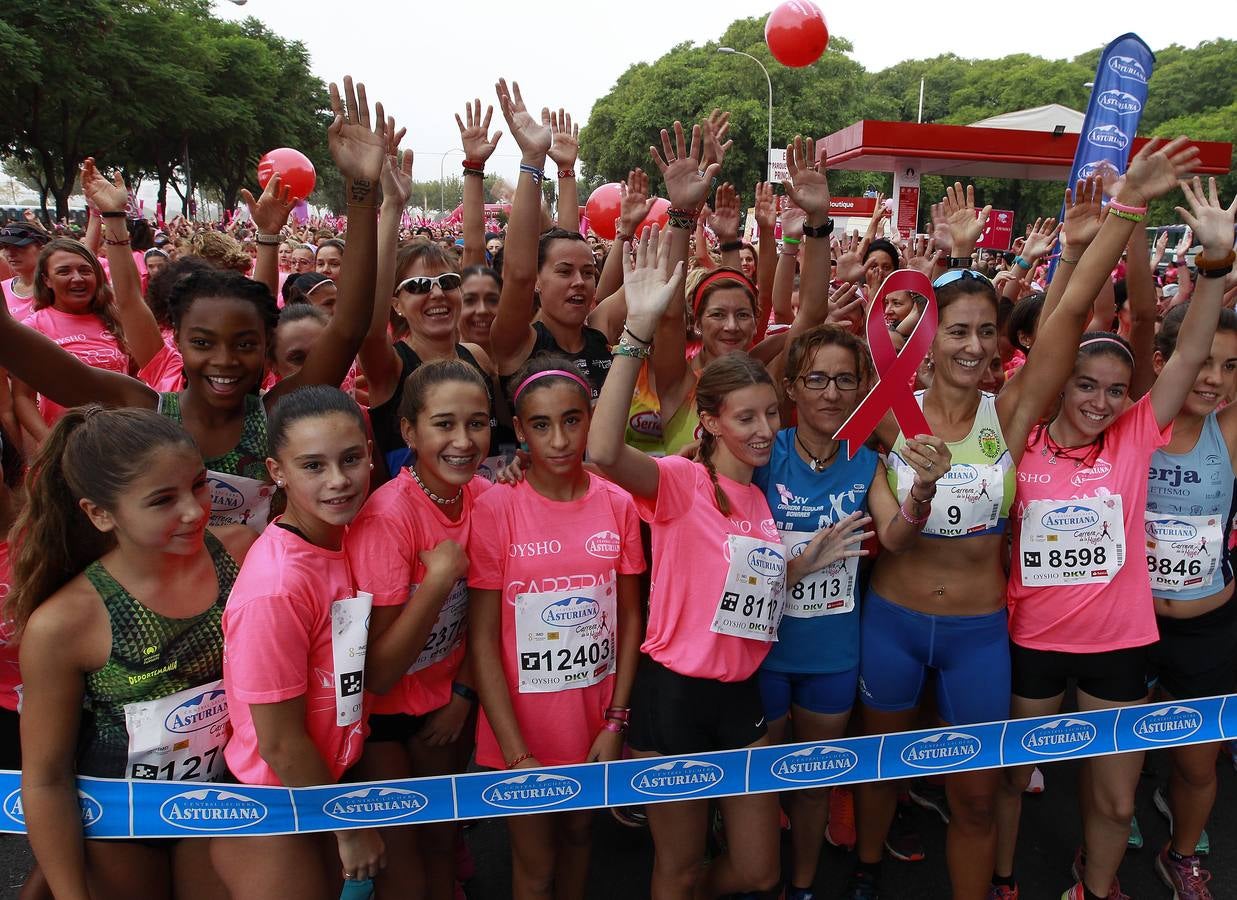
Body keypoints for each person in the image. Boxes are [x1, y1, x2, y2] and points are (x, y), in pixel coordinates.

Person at [848, 145, 1196, 900]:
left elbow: (1069, 312)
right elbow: (819, 350)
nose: (973, 346)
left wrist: (1124, 210)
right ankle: (868, 873)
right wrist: (948, 255)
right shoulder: (887, 415)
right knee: (880, 773)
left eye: (985, 331)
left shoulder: (1003, 415)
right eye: (956, 331)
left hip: (979, 631)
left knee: (975, 797)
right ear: (927, 338)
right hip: (893, 619)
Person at [588, 225, 866, 899]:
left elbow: (746, 585)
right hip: (674, 695)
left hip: (740, 695)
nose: (765, 429)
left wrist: (804, 559)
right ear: (708, 422)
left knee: (755, 869)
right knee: (676, 868)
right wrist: (637, 333)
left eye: (772, 414)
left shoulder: (759, 501)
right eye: (746, 418)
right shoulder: (679, 485)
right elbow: (600, 453)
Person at [0, 74, 385, 528]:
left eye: (244, 344)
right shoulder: (144, 411)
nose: (225, 360)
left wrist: (361, 192)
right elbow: (25, 351)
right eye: (203, 342)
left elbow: (348, 327)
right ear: (176, 340)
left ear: (267, 348)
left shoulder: (278, 412)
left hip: (261, 595)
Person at [987, 144, 1207, 900]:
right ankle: (1007, 878)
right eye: (1085, 383)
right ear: (1059, 383)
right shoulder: (1020, 436)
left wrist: (1209, 270)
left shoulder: (1134, 437)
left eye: (1116, 389)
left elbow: (1184, 355)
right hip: (1031, 643)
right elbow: (1063, 319)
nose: (1100, 401)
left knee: (1115, 799)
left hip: (1118, 646)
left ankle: (1097, 883)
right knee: (1011, 780)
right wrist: (1104, 227)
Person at [12, 406, 256, 900]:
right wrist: (69, 891)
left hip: (223, 797)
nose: (193, 510)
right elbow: (45, 779)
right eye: (163, 500)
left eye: (199, 485)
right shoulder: (64, 624)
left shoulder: (240, 551)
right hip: (120, 814)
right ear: (100, 513)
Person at [470, 354, 644, 900]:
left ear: (591, 417)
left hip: (595, 718)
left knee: (577, 835)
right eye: (541, 425)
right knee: (534, 862)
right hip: (522, 724)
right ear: (519, 430)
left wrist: (616, 720)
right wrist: (516, 751)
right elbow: (481, 639)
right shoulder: (498, 508)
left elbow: (631, 615)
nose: (560, 439)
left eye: (572, 419)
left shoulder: (617, 503)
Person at [346, 360, 493, 899]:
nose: (463, 440)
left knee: (441, 845)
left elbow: (485, 614)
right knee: (403, 864)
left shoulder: (483, 496)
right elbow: (380, 673)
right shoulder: (388, 519)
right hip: (383, 719)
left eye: (477, 423)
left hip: (446, 701)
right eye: (444, 424)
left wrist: (462, 694)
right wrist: (436, 583)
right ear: (409, 431)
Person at [1145, 293, 1237, 900]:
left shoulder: (1228, 431)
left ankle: (1182, 854)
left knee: (1196, 762)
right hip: (1128, 624)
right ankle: (1108, 823)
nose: (1216, 379)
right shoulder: (1131, 421)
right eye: (1204, 360)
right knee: (1116, 756)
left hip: (1207, 626)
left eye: (1232, 367)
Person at [0, 222, 49, 320]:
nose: (10, 254)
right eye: (6, 247)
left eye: (19, 247)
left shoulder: (56, 286)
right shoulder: (2, 288)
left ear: (42, 249)